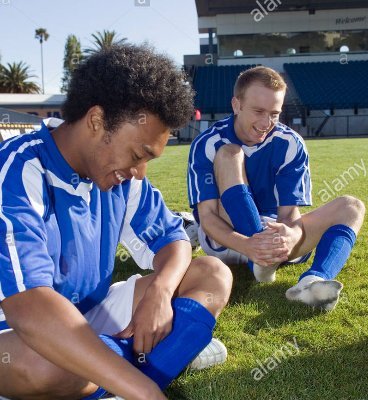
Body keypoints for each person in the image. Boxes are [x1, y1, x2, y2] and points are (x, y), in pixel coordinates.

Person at [0, 45, 232, 400]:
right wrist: (147, 392)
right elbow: (30, 308)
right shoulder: (16, 171)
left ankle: (119, 371)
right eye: (139, 155)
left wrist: (161, 292)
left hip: (86, 317)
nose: (140, 171)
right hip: (18, 334)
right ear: (96, 121)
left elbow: (174, 240)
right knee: (44, 366)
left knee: (213, 274)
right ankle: (158, 360)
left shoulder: (120, 177)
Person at [187, 66, 365, 311]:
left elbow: (289, 215)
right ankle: (259, 261)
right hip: (229, 238)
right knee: (230, 153)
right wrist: (249, 246)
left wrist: (290, 236)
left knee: (351, 206)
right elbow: (207, 218)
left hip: (277, 236)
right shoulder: (208, 143)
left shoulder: (290, 143)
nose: (266, 122)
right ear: (236, 105)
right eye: (258, 111)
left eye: (274, 113)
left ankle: (313, 282)